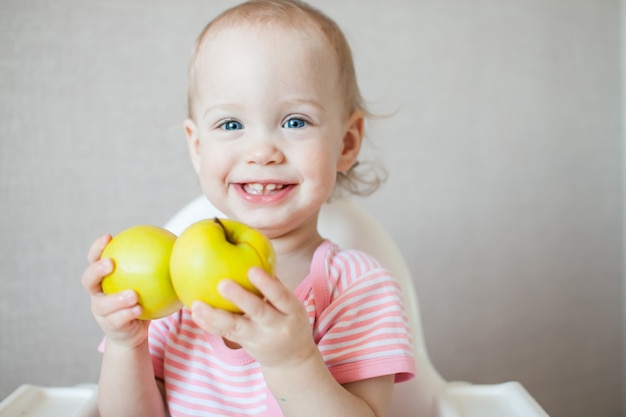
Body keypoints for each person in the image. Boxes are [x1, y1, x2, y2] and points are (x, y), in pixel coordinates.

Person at [81, 1, 416, 416]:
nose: (261, 152)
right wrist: (125, 344)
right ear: (198, 146)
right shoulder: (173, 285)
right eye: (231, 125)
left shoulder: (357, 288)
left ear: (346, 143)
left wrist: (292, 360)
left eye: (295, 121)